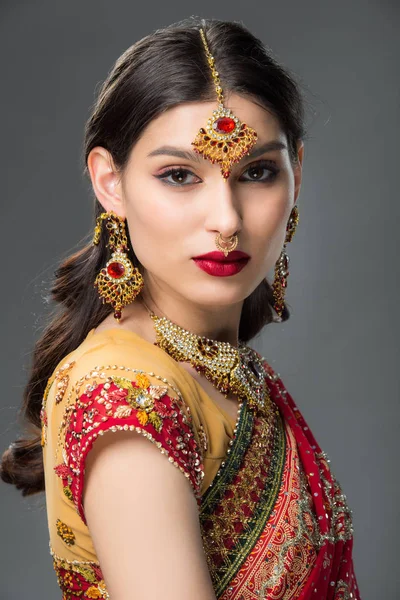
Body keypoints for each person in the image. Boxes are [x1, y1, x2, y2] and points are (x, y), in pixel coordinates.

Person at [0, 16, 361, 600]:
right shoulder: (127, 399)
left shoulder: (220, 364)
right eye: (178, 176)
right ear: (109, 182)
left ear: (298, 169)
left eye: (258, 172)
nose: (227, 219)